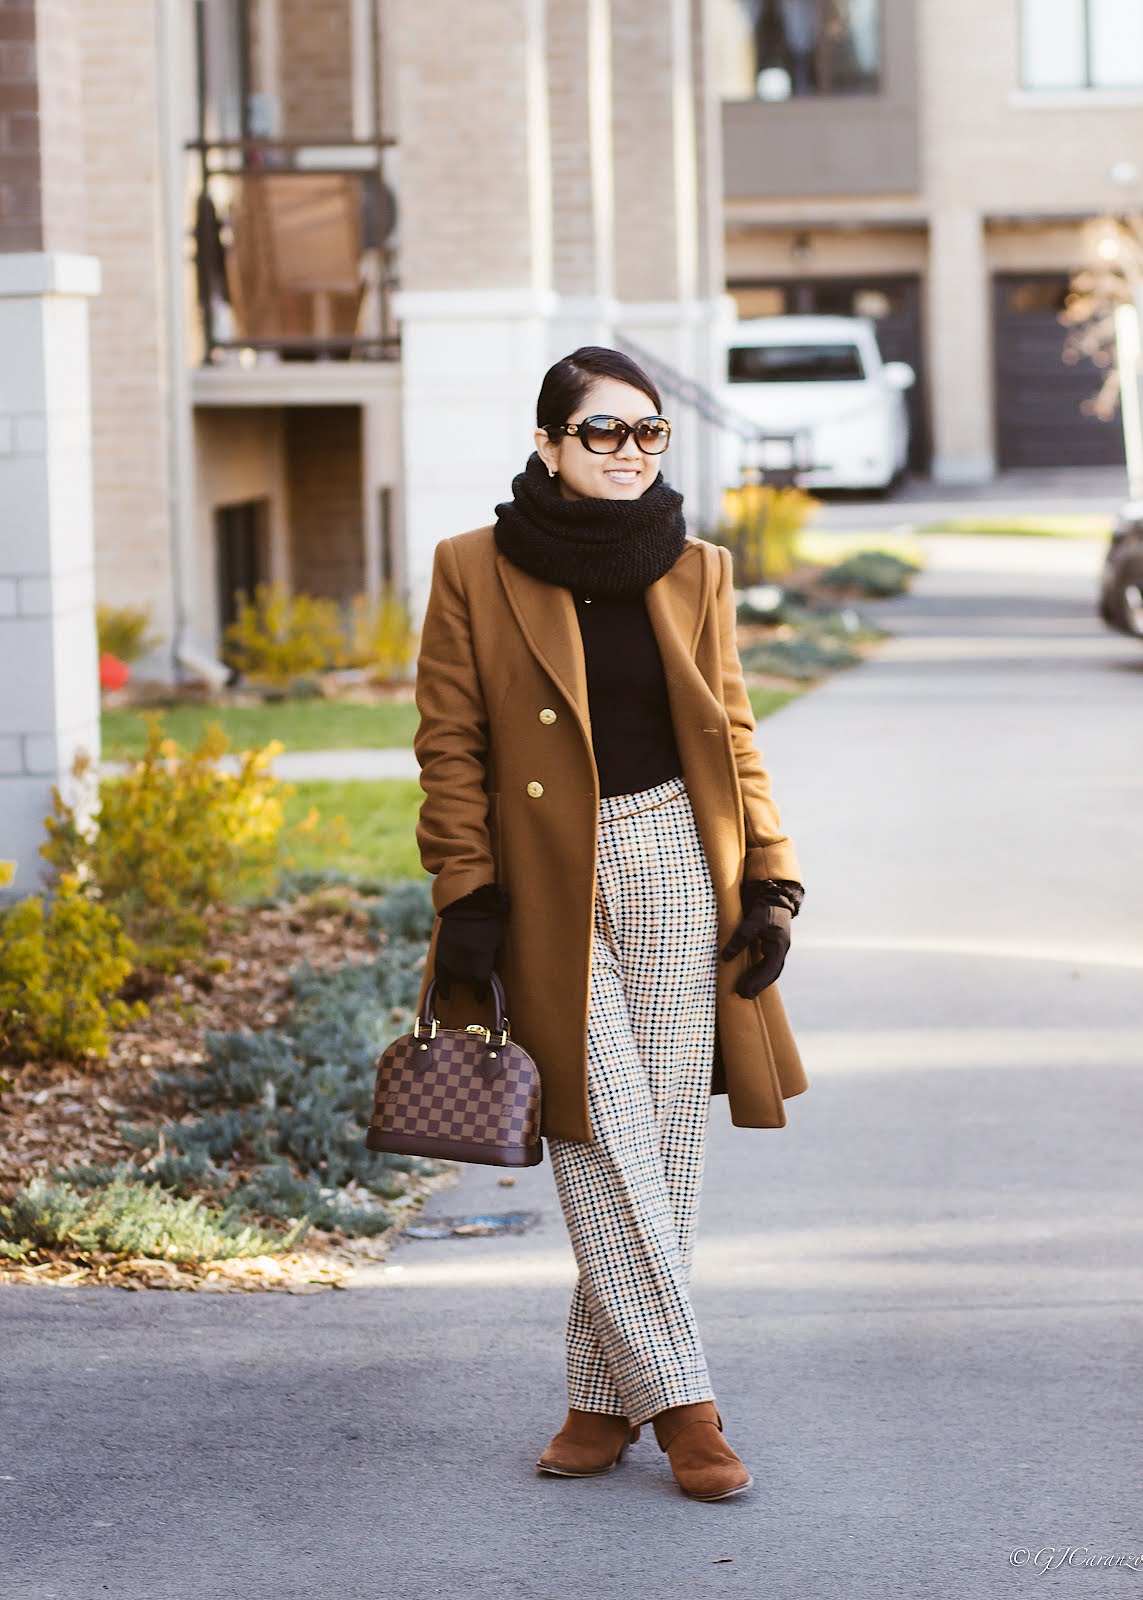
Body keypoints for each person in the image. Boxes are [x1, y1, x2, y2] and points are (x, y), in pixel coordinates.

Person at [412, 346, 807, 1502]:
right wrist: (467, 891)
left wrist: (770, 880)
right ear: (548, 444)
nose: (630, 452)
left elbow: (734, 735)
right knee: (600, 1129)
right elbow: (451, 748)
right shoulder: (470, 569)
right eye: (603, 433)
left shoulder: (695, 568)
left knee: (666, 1147)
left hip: (681, 863)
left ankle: (599, 1395)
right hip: (543, 883)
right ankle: (688, 1405)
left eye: (648, 433)